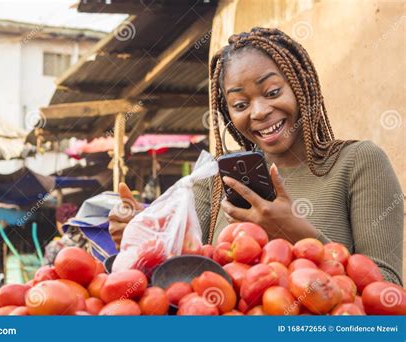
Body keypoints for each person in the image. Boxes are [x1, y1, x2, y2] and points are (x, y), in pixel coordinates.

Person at [109, 28, 404, 285]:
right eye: (240, 104)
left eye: (273, 92)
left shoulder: (358, 163)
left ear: (301, 86)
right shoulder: (214, 180)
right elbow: (178, 280)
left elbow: (387, 290)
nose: (259, 111)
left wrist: (298, 235)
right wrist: (146, 238)